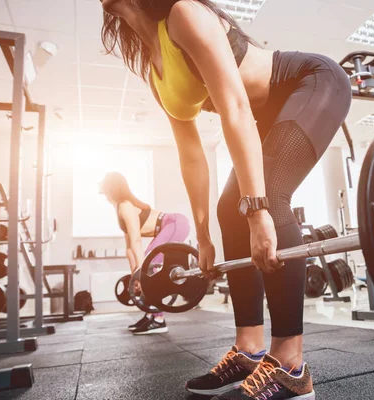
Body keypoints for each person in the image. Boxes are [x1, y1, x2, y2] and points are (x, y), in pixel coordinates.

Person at [100, 1, 351, 398]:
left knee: (269, 197)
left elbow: (235, 108)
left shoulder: (184, 13)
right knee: (226, 210)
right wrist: (201, 235)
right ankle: (250, 349)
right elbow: (191, 154)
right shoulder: (154, 67)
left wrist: (259, 210)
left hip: (311, 83)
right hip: (268, 115)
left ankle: (291, 368)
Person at [99, 171, 191, 335]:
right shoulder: (120, 208)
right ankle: (151, 315)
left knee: (150, 261)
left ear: (110, 186)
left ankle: (159, 320)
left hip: (176, 223)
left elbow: (136, 241)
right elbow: (129, 248)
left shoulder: (125, 205)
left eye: (103, 183)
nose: (100, 185)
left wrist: (142, 273)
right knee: (147, 264)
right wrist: (135, 274)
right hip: (170, 225)